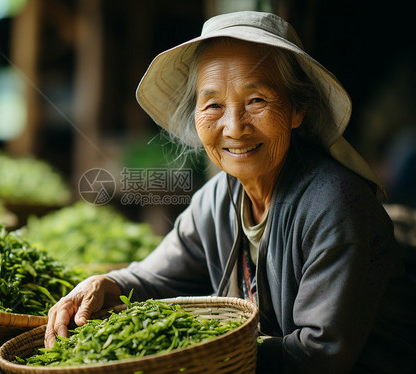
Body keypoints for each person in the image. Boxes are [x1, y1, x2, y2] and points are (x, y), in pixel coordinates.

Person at [45, 11, 415, 372]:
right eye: (213, 106)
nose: (234, 128)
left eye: (257, 101)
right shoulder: (217, 200)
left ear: (297, 110)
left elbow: (317, 354)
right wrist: (105, 284)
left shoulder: (335, 205)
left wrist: (194, 348)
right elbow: (153, 278)